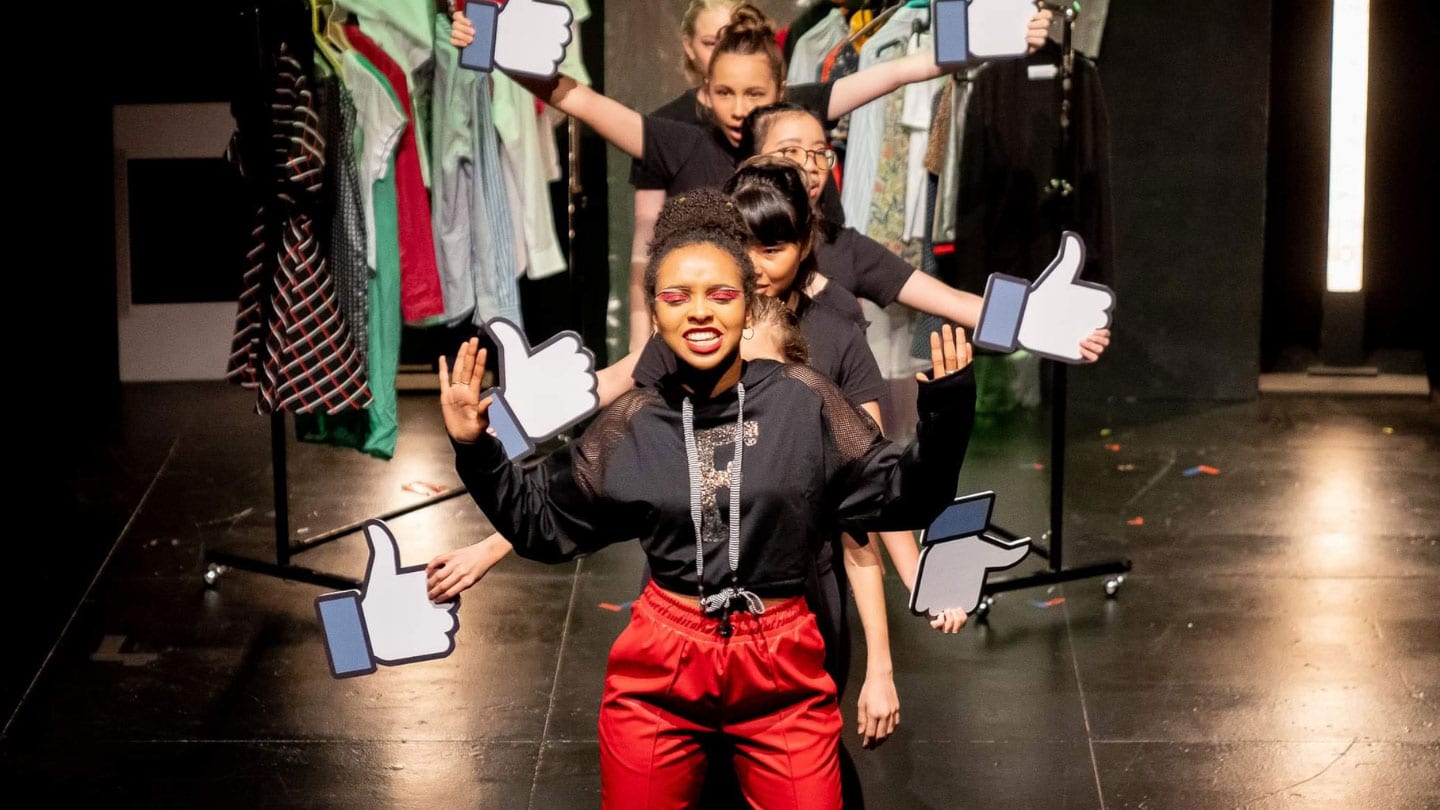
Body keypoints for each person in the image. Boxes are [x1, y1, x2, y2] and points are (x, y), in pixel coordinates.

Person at [440, 189, 977, 809]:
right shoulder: (635, 422)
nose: (700, 312)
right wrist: (475, 448)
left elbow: (907, 495)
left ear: (749, 308)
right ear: (657, 313)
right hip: (662, 662)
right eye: (677, 297)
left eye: (721, 295)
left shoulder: (803, 399)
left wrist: (946, 414)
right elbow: (541, 525)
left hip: (781, 661)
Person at [449, 3, 1054, 348]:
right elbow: (576, 98)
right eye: (726, 93)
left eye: (809, 153)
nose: (741, 109)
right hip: (708, 356)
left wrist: (1040, 323)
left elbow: (904, 71)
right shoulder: (678, 144)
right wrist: (493, 43)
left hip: (804, 362)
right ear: (705, 95)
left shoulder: (836, 248)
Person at [741, 101, 1112, 362]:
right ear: (751, 161)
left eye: (819, 151)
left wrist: (1034, 319)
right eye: (790, 151)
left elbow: (952, 301)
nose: (810, 165)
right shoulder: (719, 235)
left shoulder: (846, 246)